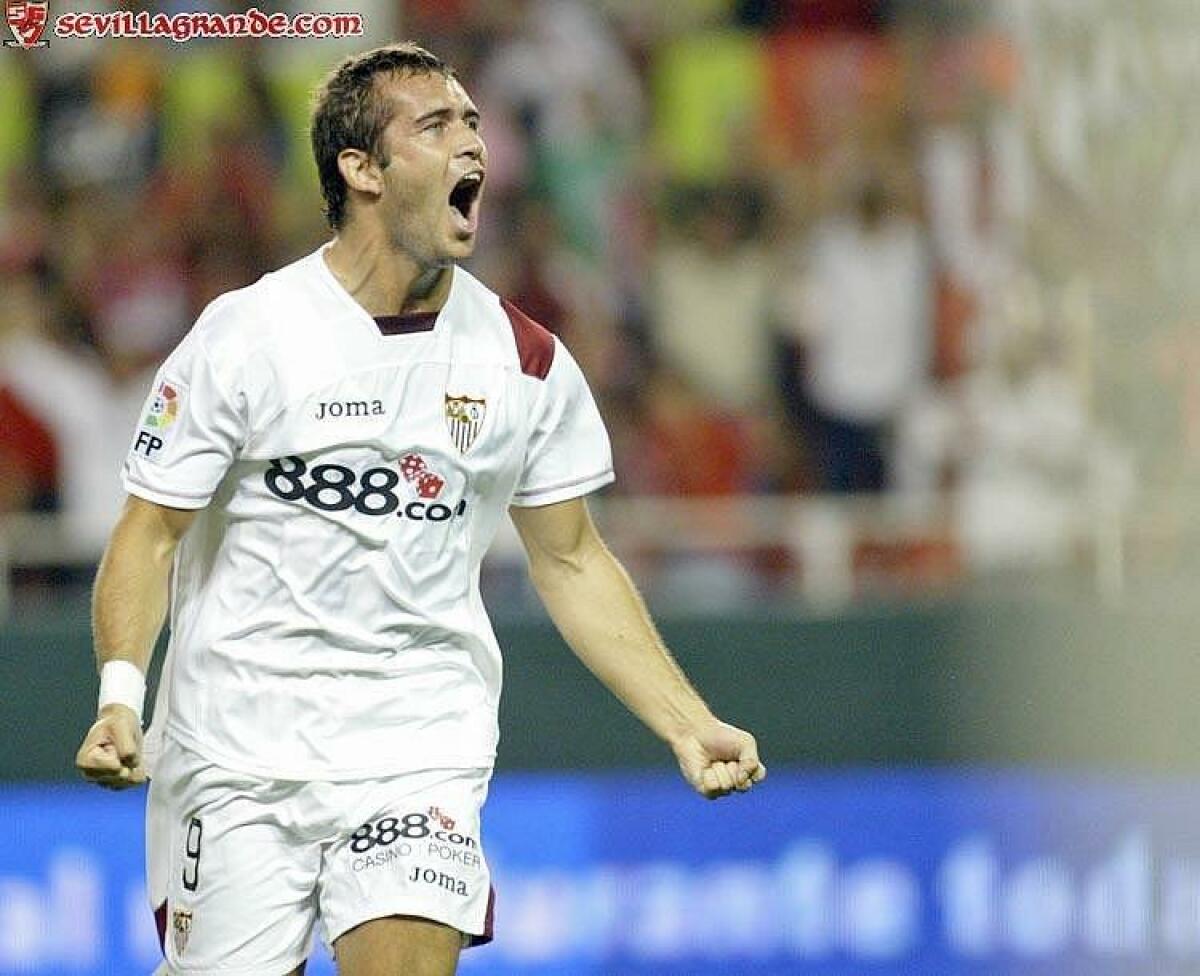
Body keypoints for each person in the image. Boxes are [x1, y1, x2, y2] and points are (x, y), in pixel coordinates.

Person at [73, 42, 765, 976]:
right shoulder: (247, 337)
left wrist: (686, 720)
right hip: (234, 751)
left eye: (473, 124)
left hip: (417, 743)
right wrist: (121, 697)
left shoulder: (522, 361)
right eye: (436, 126)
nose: (472, 144)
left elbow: (571, 559)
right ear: (362, 169)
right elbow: (150, 531)